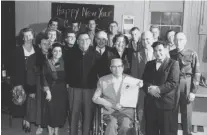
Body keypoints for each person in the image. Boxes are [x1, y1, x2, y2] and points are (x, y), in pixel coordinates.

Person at [92, 58, 143, 135]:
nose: (117, 69)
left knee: (125, 127)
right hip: (110, 112)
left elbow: (137, 90)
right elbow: (95, 98)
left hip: (126, 112)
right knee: (111, 125)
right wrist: (111, 105)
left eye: (119, 66)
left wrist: (140, 85)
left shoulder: (130, 79)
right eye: (114, 67)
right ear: (110, 68)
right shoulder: (103, 80)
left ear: (123, 67)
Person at [142, 41, 180, 135]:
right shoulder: (149, 64)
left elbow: (172, 82)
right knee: (150, 131)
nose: (158, 53)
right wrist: (151, 90)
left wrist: (158, 89)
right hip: (151, 103)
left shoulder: (173, 63)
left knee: (166, 132)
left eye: (160, 50)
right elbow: (144, 81)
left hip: (166, 104)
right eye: (155, 51)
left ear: (166, 50)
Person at [170, 32, 201, 135]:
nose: (178, 42)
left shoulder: (192, 53)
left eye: (181, 39)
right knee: (172, 111)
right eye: (176, 39)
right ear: (173, 41)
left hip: (186, 83)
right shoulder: (170, 54)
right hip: (173, 85)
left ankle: (187, 133)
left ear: (185, 41)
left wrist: (193, 91)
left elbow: (197, 73)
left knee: (186, 113)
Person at [68, 32, 97, 135]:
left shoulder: (95, 54)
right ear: (77, 42)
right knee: (73, 114)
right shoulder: (70, 53)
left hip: (90, 89)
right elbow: (67, 70)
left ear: (90, 41)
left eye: (86, 39)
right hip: (74, 89)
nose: (84, 42)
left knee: (88, 114)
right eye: (81, 40)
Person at [12, 28, 39, 133]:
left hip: (33, 78)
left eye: (30, 35)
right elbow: (14, 68)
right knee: (23, 100)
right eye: (26, 36)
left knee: (32, 100)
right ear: (22, 38)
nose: (28, 38)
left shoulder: (37, 48)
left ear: (33, 36)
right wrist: (17, 83)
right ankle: (26, 119)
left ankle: (27, 119)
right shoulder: (17, 50)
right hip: (21, 79)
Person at [131, 31, 155, 135]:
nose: (146, 41)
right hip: (141, 90)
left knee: (154, 115)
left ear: (153, 39)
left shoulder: (158, 52)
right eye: (144, 39)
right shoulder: (136, 55)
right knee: (141, 114)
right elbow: (134, 75)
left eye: (148, 39)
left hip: (156, 90)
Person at [42, 43, 68, 135]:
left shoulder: (64, 62)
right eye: (55, 51)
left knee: (59, 112)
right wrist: (48, 92)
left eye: (60, 51)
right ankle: (50, 132)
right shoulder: (47, 62)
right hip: (51, 90)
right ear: (52, 52)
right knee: (50, 112)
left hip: (62, 91)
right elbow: (43, 78)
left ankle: (56, 132)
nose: (58, 53)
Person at [35, 34, 50, 134]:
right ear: (39, 45)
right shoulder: (37, 56)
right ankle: (39, 126)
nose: (46, 46)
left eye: (48, 43)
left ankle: (50, 125)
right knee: (40, 105)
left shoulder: (53, 53)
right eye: (44, 44)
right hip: (40, 84)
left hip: (52, 83)